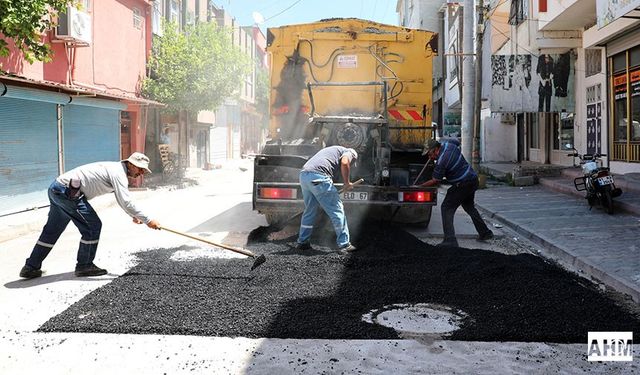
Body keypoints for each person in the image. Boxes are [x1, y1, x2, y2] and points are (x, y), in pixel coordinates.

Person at [19, 152, 161, 279]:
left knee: (52, 230)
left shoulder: (113, 169)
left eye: (143, 171)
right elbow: (125, 201)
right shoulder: (118, 173)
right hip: (68, 193)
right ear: (130, 164)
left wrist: (134, 215)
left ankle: (30, 267)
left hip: (56, 188)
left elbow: (122, 200)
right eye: (139, 168)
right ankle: (85, 266)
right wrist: (148, 220)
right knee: (93, 226)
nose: (141, 173)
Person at [418, 138, 493, 247]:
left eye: (430, 154)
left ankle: (450, 240)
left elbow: (435, 180)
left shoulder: (442, 161)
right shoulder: (449, 145)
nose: (429, 157)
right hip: (472, 179)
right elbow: (457, 142)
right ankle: (485, 233)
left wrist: (419, 186)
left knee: (446, 208)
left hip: (463, 184)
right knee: (469, 207)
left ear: (436, 149)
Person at [295, 145, 358, 252]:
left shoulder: (331, 151)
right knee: (337, 210)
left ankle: (302, 242)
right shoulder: (349, 152)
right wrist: (347, 183)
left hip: (304, 175)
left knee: (310, 210)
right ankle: (344, 244)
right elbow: (344, 162)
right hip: (319, 177)